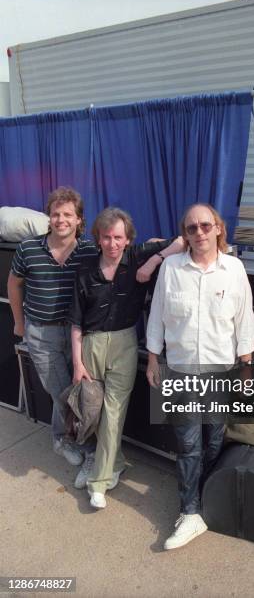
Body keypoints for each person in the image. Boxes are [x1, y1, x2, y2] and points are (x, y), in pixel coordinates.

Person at [146, 203, 254, 550]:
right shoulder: (171, 269)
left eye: (205, 226)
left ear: (218, 229)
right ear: (185, 233)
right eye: (191, 228)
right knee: (190, 444)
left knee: (213, 440)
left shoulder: (234, 269)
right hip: (181, 369)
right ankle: (189, 511)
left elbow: (245, 319)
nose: (199, 233)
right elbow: (157, 315)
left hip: (221, 370)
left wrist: (246, 366)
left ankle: (206, 496)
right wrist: (153, 359)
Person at [68, 207, 184, 509]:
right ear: (98, 238)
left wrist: (155, 260)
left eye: (118, 237)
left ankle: (99, 481)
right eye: (106, 237)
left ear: (128, 238)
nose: (112, 243)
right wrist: (78, 363)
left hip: (124, 343)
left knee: (114, 413)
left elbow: (183, 241)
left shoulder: (137, 257)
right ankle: (113, 463)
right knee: (90, 410)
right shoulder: (85, 269)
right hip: (91, 345)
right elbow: (77, 322)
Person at [8, 187, 98, 471]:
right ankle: (66, 441)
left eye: (68, 214)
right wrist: (19, 323)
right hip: (41, 334)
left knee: (81, 392)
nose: (61, 220)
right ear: (49, 217)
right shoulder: (28, 249)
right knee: (61, 393)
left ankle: (71, 439)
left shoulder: (88, 250)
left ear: (79, 220)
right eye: (56, 214)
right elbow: (14, 284)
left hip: (77, 334)